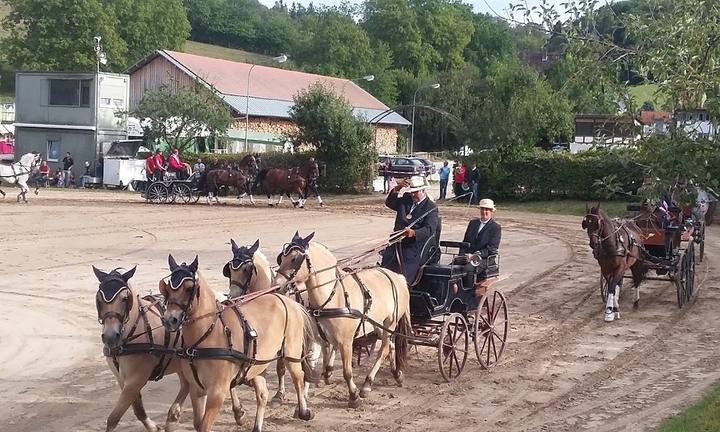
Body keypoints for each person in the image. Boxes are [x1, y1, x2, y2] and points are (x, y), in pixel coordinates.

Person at [381, 175, 440, 285]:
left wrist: (413, 233)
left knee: (403, 276)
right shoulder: (406, 198)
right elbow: (390, 203)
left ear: (423, 190)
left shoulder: (431, 208)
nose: (413, 194)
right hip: (396, 242)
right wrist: (397, 188)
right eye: (412, 191)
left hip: (414, 247)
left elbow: (429, 229)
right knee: (384, 267)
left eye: (416, 192)